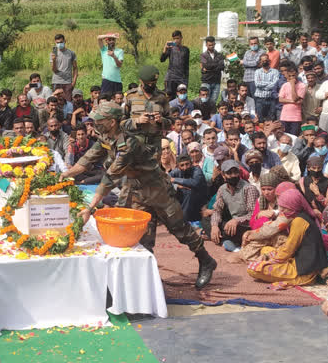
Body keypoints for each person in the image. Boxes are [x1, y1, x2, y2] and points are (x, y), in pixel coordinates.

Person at [62, 102, 218, 289]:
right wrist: (63, 175)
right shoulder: (106, 137)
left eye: (99, 121)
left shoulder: (128, 144)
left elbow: (109, 178)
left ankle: (206, 260)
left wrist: (89, 208)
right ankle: (148, 280)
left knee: (180, 229)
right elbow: (86, 161)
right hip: (136, 192)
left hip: (158, 191)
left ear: (112, 122)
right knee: (141, 236)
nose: (94, 124)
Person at [246, 188, 327, 285]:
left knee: (252, 269)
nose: (282, 211)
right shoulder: (301, 216)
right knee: (265, 250)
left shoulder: (299, 221)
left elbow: (289, 249)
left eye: (285, 208)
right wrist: (267, 256)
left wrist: (270, 261)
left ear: (293, 206)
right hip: (299, 259)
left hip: (304, 271)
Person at [203, 159, 259, 250]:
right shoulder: (222, 189)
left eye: (235, 172)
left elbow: (253, 215)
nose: (233, 175)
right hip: (231, 223)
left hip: (245, 225)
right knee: (206, 220)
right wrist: (214, 226)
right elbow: (217, 210)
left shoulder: (249, 189)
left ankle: (225, 241)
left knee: (236, 230)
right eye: (229, 173)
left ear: (239, 173)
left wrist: (237, 220)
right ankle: (225, 240)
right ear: (223, 175)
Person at [122, 65, 171, 154]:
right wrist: (136, 121)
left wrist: (161, 120)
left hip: (156, 145)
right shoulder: (130, 96)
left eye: (153, 83)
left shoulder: (162, 97)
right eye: (148, 83)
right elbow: (120, 123)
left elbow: (171, 122)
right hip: (135, 142)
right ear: (141, 81)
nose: (150, 85)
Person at [160, 30, 189, 97]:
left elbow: (186, 66)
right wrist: (165, 48)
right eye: (174, 39)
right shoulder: (171, 49)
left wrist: (186, 80)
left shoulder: (186, 50)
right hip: (171, 77)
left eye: (177, 38)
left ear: (181, 38)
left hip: (182, 78)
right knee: (170, 97)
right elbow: (162, 59)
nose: (176, 40)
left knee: (182, 97)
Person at [277, 66, 305, 135]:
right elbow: (280, 99)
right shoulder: (285, 85)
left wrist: (292, 85)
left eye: (293, 75)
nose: (292, 78)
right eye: (290, 76)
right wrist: (292, 101)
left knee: (294, 137)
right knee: (284, 136)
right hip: (284, 116)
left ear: (297, 74)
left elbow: (295, 98)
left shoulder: (302, 86)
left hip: (296, 117)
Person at [50, 34, 78, 100]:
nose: (59, 44)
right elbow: (54, 70)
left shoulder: (71, 53)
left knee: (67, 101)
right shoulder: (53, 54)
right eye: (57, 43)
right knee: (56, 101)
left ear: (65, 41)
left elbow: (75, 68)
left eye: (61, 42)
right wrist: (54, 60)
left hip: (68, 82)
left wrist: (74, 82)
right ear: (55, 42)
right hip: (56, 81)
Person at [253, 53, 279, 122]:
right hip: (260, 99)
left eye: (266, 60)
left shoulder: (275, 71)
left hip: (271, 99)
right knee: (260, 119)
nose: (265, 62)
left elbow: (275, 84)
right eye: (263, 60)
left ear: (269, 60)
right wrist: (269, 85)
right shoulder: (257, 72)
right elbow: (257, 84)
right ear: (260, 62)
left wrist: (264, 86)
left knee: (272, 119)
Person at [199, 36, 224, 103]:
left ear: (215, 44)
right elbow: (206, 65)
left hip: (216, 81)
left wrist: (209, 67)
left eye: (213, 45)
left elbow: (221, 66)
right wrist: (216, 65)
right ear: (206, 45)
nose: (211, 46)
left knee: (213, 102)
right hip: (206, 81)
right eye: (210, 45)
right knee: (204, 101)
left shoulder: (219, 55)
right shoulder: (203, 55)